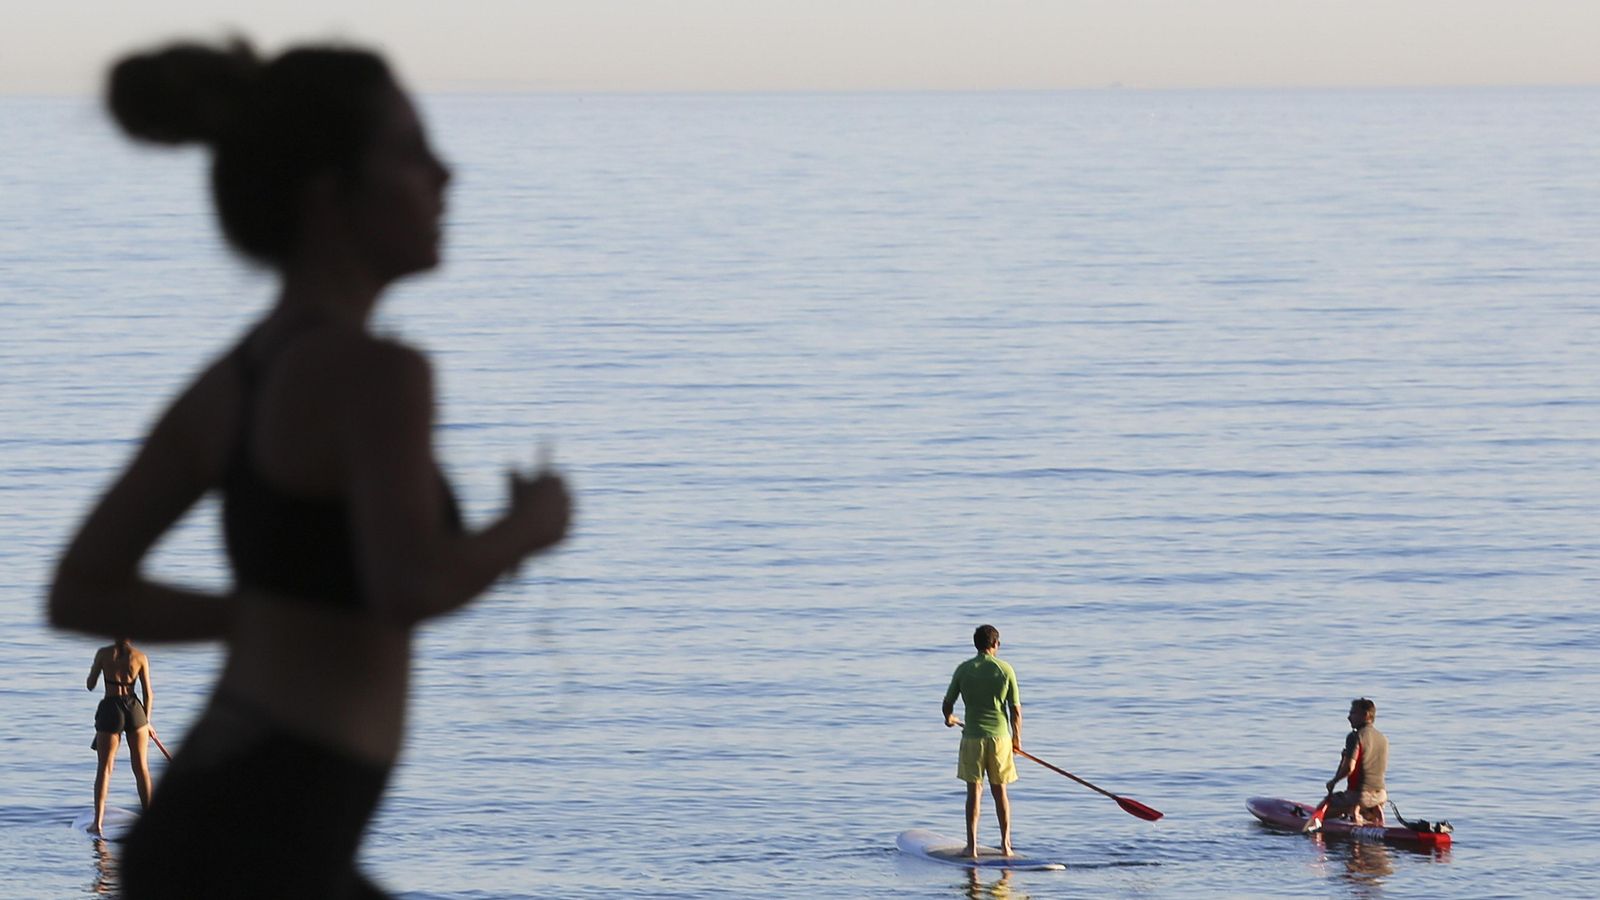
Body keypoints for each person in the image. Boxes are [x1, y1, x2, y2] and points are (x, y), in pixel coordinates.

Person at [48, 37, 572, 898]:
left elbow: (81, 587)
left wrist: (257, 619)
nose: (446, 175)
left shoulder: (232, 379)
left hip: (210, 827)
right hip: (268, 841)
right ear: (331, 196)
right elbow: (408, 587)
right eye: (411, 151)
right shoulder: (381, 374)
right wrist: (530, 527)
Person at [942, 624, 1022, 858]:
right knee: (1000, 793)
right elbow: (1015, 711)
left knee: (974, 792)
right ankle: (1006, 846)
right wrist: (1017, 741)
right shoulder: (1005, 669)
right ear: (995, 644)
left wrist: (949, 718)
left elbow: (947, 703)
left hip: (973, 737)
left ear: (976, 644)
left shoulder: (964, 669)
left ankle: (972, 847)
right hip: (1000, 739)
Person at [86, 637, 154, 834]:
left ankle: (97, 824)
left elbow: (90, 685)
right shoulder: (140, 657)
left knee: (105, 769)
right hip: (135, 710)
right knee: (141, 768)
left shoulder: (103, 653)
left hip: (111, 709)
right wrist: (147, 722)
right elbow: (148, 693)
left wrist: (95, 671)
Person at [1310, 697, 1389, 830]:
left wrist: (1333, 782)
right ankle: (1370, 812)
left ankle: (1355, 813)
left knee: (1324, 807)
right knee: (1358, 801)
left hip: (1359, 795)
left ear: (1365, 715)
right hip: (1381, 795)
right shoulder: (1383, 738)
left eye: (1353, 713)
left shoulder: (1355, 736)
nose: (1348, 717)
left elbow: (1349, 768)